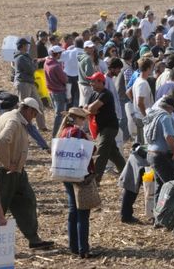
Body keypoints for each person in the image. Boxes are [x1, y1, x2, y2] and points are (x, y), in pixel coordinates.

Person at [0, 98, 54, 249]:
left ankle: (34, 239)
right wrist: (6, 162)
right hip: (6, 173)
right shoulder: (14, 122)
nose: (34, 118)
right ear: (29, 110)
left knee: (27, 200)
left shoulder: (7, 115)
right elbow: (3, 139)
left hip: (17, 172)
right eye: (35, 114)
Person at [57, 107, 97, 259]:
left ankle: (73, 246)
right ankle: (83, 249)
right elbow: (92, 150)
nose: (85, 120)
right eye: (83, 118)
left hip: (65, 173)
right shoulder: (78, 133)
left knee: (73, 211)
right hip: (80, 175)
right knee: (83, 213)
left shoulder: (63, 131)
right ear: (77, 119)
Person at [85, 72, 125, 184]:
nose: (91, 83)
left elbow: (91, 108)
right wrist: (91, 108)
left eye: (93, 81)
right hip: (100, 127)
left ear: (99, 82)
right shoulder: (93, 94)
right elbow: (87, 108)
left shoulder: (106, 94)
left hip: (109, 127)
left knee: (101, 151)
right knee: (113, 153)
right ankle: (128, 173)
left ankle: (95, 179)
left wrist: (91, 108)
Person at [144, 96, 174, 211]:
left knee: (160, 186)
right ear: (170, 108)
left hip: (151, 154)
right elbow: (169, 136)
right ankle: (169, 214)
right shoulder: (165, 117)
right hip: (161, 155)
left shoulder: (153, 116)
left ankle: (158, 215)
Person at [13, 37, 48, 131]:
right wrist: (35, 63)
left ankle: (42, 126)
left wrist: (33, 62)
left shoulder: (25, 57)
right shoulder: (20, 58)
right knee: (24, 107)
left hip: (29, 83)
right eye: (26, 45)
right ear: (22, 46)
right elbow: (31, 70)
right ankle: (25, 127)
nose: (28, 46)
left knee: (38, 104)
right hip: (23, 83)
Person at [130, 57, 155, 146]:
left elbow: (129, 92)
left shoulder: (138, 80)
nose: (153, 69)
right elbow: (140, 103)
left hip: (139, 115)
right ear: (148, 68)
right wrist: (146, 116)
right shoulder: (142, 83)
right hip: (142, 117)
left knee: (141, 142)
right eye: (152, 67)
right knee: (143, 144)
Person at [44, 45, 68, 137]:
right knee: (60, 115)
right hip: (59, 92)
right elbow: (64, 80)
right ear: (56, 54)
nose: (61, 54)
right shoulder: (56, 66)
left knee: (57, 113)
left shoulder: (47, 62)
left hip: (51, 91)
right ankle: (56, 135)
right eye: (60, 53)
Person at [62, 36, 84, 108]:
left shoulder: (68, 52)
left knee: (69, 96)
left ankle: (68, 112)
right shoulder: (84, 53)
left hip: (68, 77)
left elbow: (58, 58)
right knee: (79, 96)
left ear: (75, 44)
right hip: (79, 78)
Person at [77, 40, 97, 107]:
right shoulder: (88, 58)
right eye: (90, 48)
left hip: (81, 83)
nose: (92, 49)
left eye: (93, 47)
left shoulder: (81, 56)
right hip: (87, 85)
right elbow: (89, 74)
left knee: (82, 104)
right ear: (85, 48)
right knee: (87, 106)